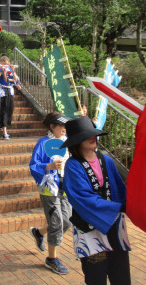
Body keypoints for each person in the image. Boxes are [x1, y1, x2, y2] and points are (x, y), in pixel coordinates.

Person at [62, 116, 131, 285]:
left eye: (93, 133)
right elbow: (82, 198)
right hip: (90, 229)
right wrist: (118, 207)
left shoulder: (106, 160)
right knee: (96, 278)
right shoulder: (72, 165)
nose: (93, 137)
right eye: (86, 135)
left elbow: (120, 189)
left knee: (121, 275)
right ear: (76, 141)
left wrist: (131, 204)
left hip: (114, 224)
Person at [29, 112, 71, 275]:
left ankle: (39, 233)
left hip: (66, 187)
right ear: (52, 126)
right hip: (49, 187)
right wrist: (49, 166)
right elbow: (33, 165)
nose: (64, 128)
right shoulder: (43, 142)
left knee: (66, 222)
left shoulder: (67, 142)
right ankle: (51, 259)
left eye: (65, 125)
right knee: (56, 222)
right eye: (61, 125)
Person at [0, 55, 20, 139]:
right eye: (4, 63)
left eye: (7, 63)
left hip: (10, 92)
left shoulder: (10, 70)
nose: (6, 65)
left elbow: (16, 80)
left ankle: (3, 128)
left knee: (10, 109)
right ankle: (4, 131)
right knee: (4, 110)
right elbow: (6, 81)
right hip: (3, 91)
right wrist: (3, 72)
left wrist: (13, 71)